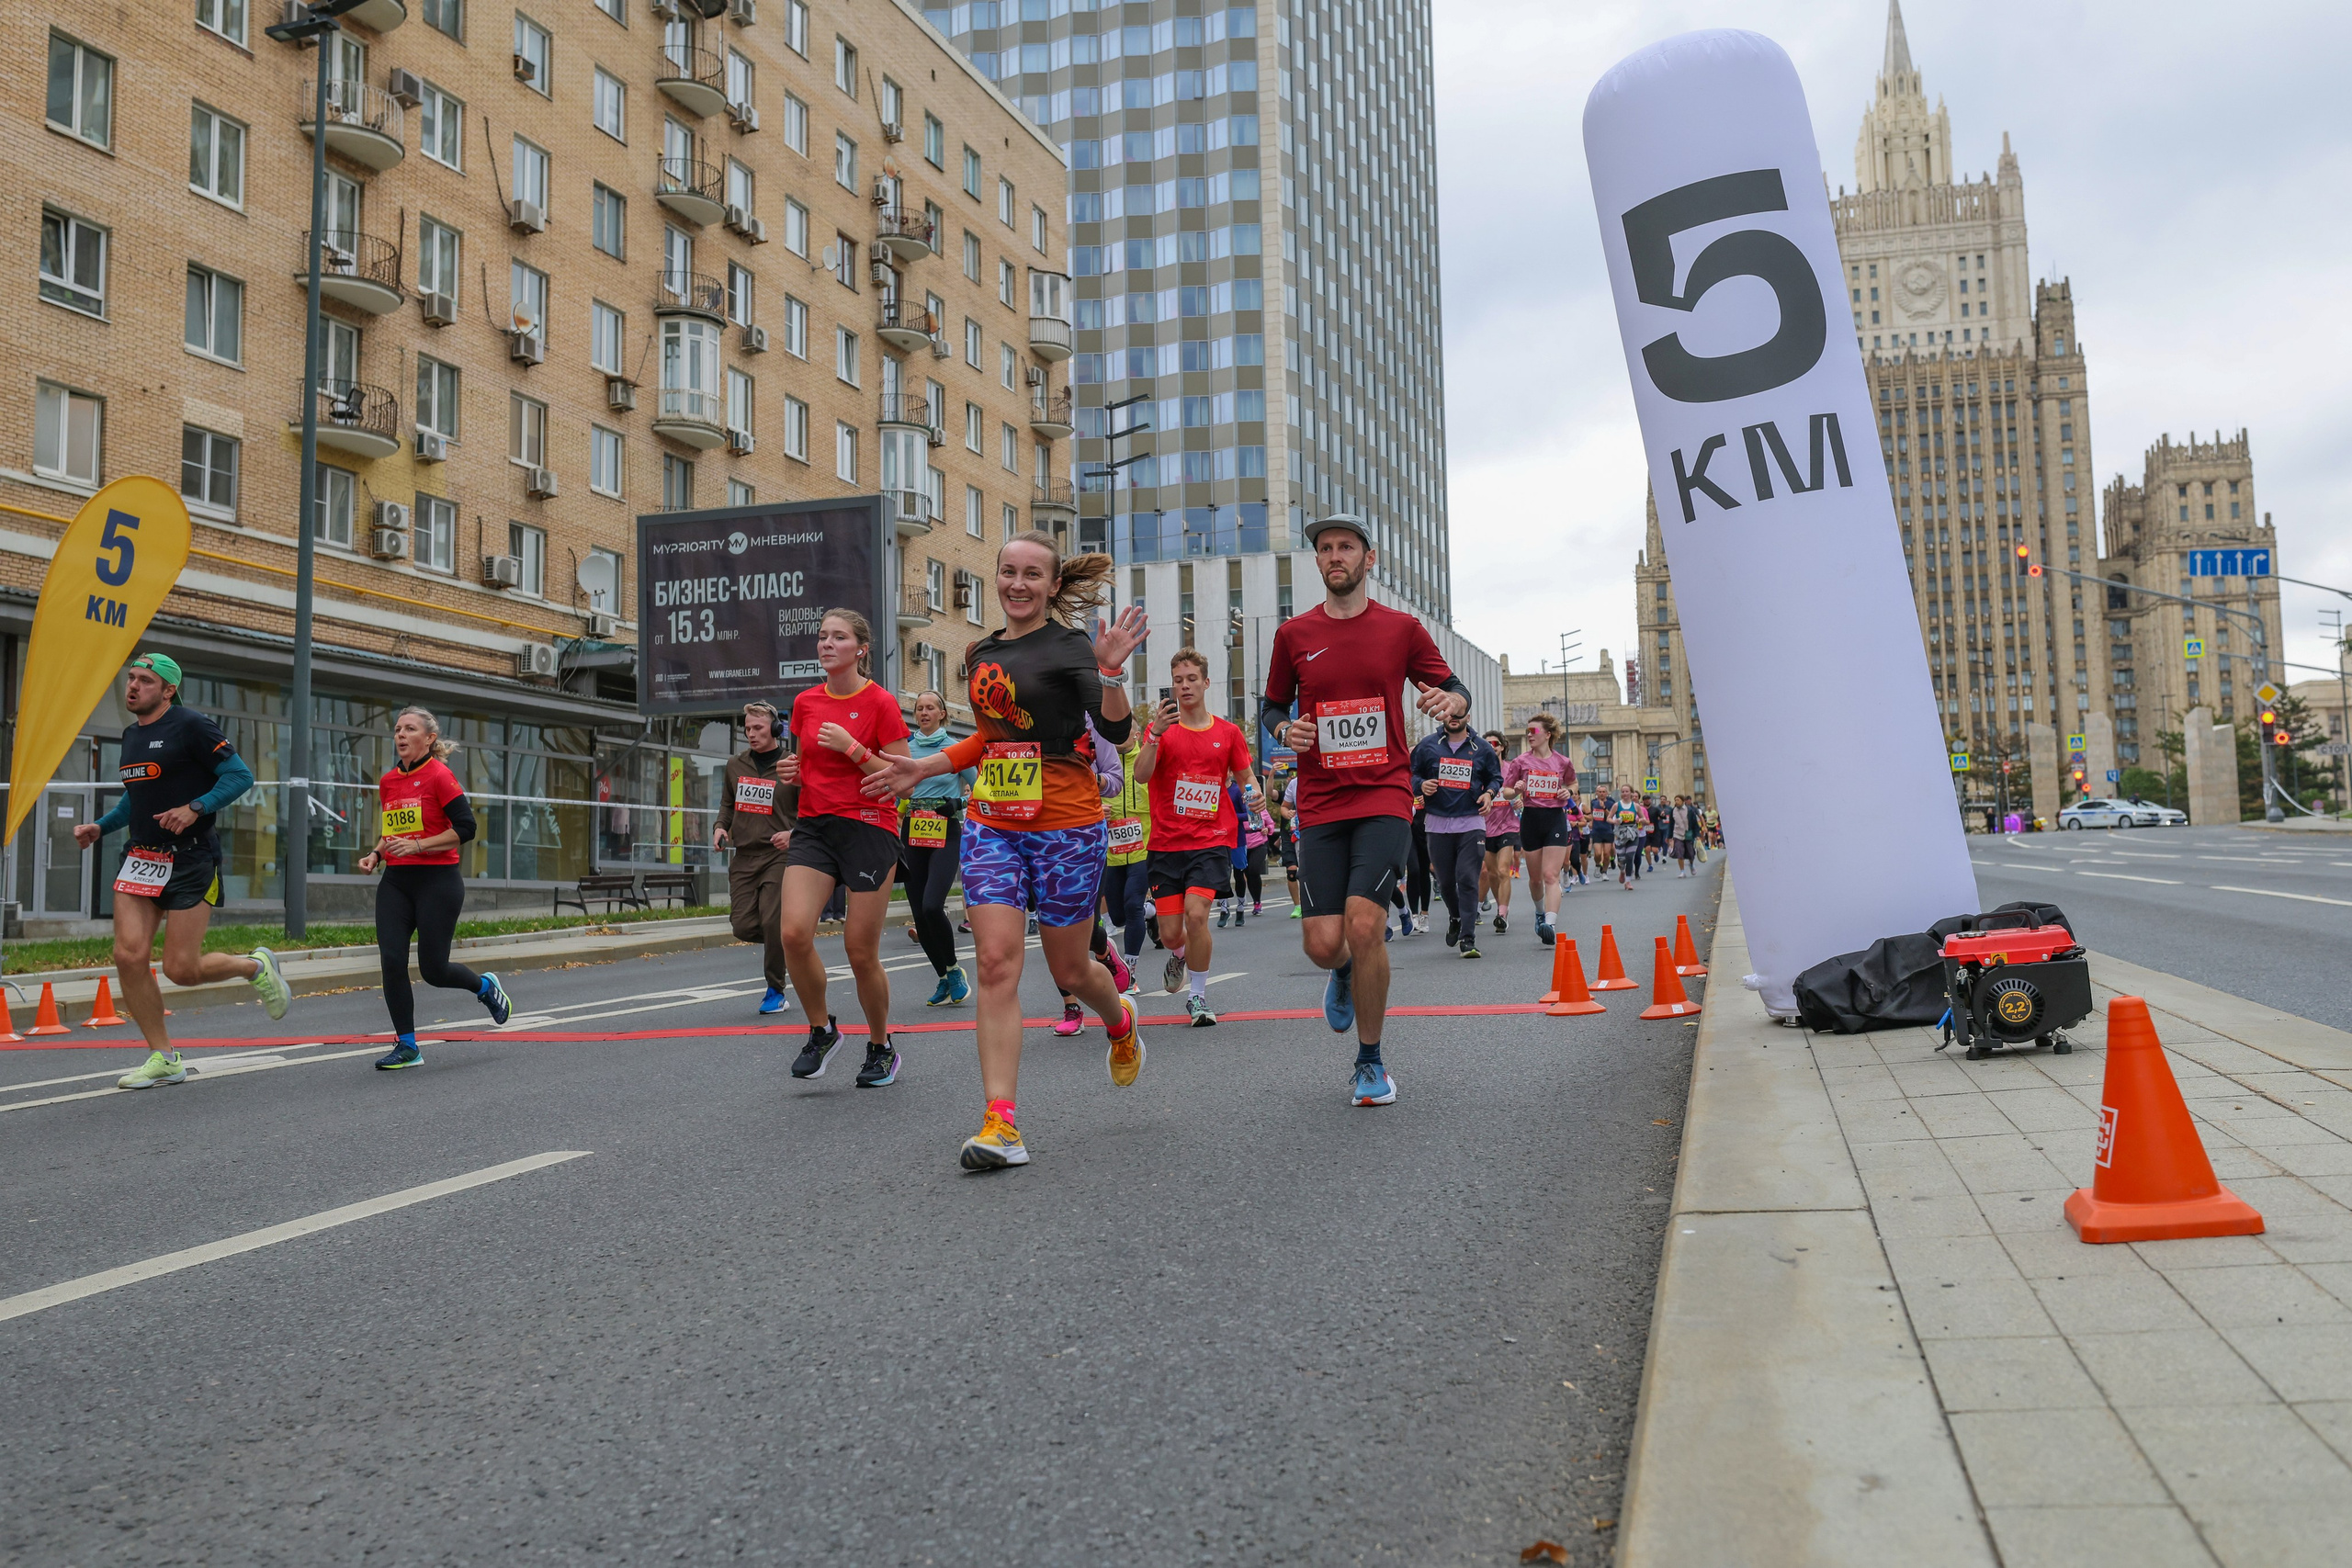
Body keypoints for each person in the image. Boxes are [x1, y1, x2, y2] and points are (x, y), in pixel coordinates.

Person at [860, 532, 1147, 1168]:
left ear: (1051, 586)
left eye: (1031, 575)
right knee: (994, 962)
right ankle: (1000, 1122)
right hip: (993, 819)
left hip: (1067, 824)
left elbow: (1117, 729)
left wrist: (1109, 673)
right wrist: (923, 765)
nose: (1018, 584)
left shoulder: (1071, 646)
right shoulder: (980, 650)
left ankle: (1119, 1018)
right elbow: (989, 742)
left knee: (1070, 971)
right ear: (997, 577)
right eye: (1008, 572)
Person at [1261, 514, 1472, 1108]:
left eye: (1345, 547)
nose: (1335, 556)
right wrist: (1287, 728)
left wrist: (1448, 699)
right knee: (1324, 943)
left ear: (1368, 559)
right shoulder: (1293, 635)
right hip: (1322, 800)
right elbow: (1271, 707)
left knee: (1364, 924)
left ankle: (1370, 1060)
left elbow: (1456, 688)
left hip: (1383, 792)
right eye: (1325, 549)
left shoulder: (1401, 629)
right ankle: (1345, 971)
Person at [74, 653, 291, 1089]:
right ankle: (164, 1056)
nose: (133, 686)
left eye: (145, 681)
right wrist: (102, 826)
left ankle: (254, 968)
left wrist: (196, 808)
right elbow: (136, 799)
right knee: (128, 954)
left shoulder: (192, 725)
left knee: (181, 970)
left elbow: (239, 775)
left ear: (168, 690)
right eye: (131, 678)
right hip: (141, 859)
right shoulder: (131, 735)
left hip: (191, 858)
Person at [773, 610, 911, 1088]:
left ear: (861, 648)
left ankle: (881, 1046)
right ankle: (822, 1030)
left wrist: (854, 748)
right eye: (822, 637)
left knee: (859, 950)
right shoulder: (805, 703)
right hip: (814, 827)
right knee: (792, 933)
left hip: (870, 828)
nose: (826, 644)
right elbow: (806, 766)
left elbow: (904, 783)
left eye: (838, 637)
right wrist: (794, 773)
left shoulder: (881, 703)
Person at [356, 707, 514, 1068]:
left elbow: (467, 828)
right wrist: (376, 855)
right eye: (397, 729)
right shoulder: (388, 781)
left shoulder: (440, 776)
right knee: (392, 960)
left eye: (409, 729)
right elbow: (393, 831)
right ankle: (408, 1046)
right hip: (396, 881)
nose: (400, 735)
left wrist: (419, 846)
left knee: (433, 970)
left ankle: (485, 988)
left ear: (428, 738)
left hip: (438, 882)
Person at [1136, 647, 1261, 1027]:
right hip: (1166, 844)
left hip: (1210, 840)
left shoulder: (1229, 733)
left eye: (1192, 679)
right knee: (1172, 932)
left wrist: (1255, 794)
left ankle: (1199, 996)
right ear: (1171, 686)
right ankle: (1177, 955)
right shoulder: (1161, 730)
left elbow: (1246, 779)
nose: (1185, 686)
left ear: (1206, 683)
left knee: (1196, 915)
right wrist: (1155, 734)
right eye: (1178, 680)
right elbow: (1141, 775)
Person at [1053, 715, 1135, 1034]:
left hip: (1083, 832)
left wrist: (1088, 779)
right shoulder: (1020, 716)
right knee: (1052, 925)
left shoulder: (1090, 721)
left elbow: (1114, 780)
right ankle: (1071, 1007)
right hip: (1033, 833)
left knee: (1080, 923)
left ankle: (1103, 951)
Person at [714, 700, 794, 1015]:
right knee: (743, 927)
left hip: (779, 855)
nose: (751, 733)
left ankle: (775, 989)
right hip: (744, 856)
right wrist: (721, 827)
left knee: (773, 920)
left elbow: (812, 809)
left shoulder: (792, 764)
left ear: (775, 728)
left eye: (758, 727)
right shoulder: (736, 765)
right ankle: (790, 941)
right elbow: (727, 804)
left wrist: (795, 833)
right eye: (747, 728)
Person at [899, 690, 975, 1007]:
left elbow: (984, 787)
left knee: (932, 906)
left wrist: (957, 802)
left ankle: (955, 969)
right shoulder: (906, 749)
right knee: (919, 914)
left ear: (943, 713)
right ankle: (943, 977)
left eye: (930, 707)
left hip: (946, 830)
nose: (924, 712)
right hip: (913, 831)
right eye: (919, 709)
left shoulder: (955, 749)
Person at [1409, 708, 1501, 957]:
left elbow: (1495, 778)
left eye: (1459, 714)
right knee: (1447, 882)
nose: (1454, 718)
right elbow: (1411, 773)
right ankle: (1456, 917)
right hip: (1437, 823)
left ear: (1468, 718)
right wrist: (1421, 785)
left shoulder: (1482, 748)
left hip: (1471, 823)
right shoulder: (1427, 745)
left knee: (1468, 879)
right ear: (1443, 718)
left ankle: (1468, 939)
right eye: (1450, 714)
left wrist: (1489, 794)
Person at [1502, 713, 1577, 946]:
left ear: (1548, 734)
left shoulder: (1562, 762)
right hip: (1531, 819)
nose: (1529, 735)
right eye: (1527, 731)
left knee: (1550, 875)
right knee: (1535, 879)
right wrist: (1517, 789)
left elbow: (1573, 782)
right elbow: (1506, 792)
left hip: (1555, 818)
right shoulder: (1520, 762)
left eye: (1533, 731)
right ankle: (1539, 912)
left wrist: (1569, 792)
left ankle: (1550, 924)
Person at [1100, 726, 1151, 994]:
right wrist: (1097, 809)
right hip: (1112, 852)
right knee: (1117, 916)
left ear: (1136, 734)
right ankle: (1150, 911)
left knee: (1133, 905)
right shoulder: (1100, 765)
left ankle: (1130, 972)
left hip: (1143, 848)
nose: (1119, 734)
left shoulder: (1146, 760)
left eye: (1126, 729)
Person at [1478, 730, 1522, 934]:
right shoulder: (1480, 770)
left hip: (1508, 825)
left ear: (1502, 747)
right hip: (1486, 827)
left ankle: (1502, 914)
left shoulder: (1511, 769)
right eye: (1487, 743)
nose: (1491, 746)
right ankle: (1499, 906)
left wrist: (1521, 800)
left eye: (1495, 743)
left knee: (1504, 870)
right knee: (1492, 873)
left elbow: (1522, 791)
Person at [1614, 784, 1648, 890]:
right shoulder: (1617, 805)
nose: (1625, 794)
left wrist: (1641, 820)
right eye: (1623, 791)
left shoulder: (1636, 806)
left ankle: (1628, 881)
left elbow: (1644, 820)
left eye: (1627, 791)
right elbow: (1609, 819)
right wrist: (1615, 821)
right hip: (1620, 835)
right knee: (1621, 859)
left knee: (1629, 857)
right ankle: (1622, 871)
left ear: (1631, 793)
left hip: (1633, 834)